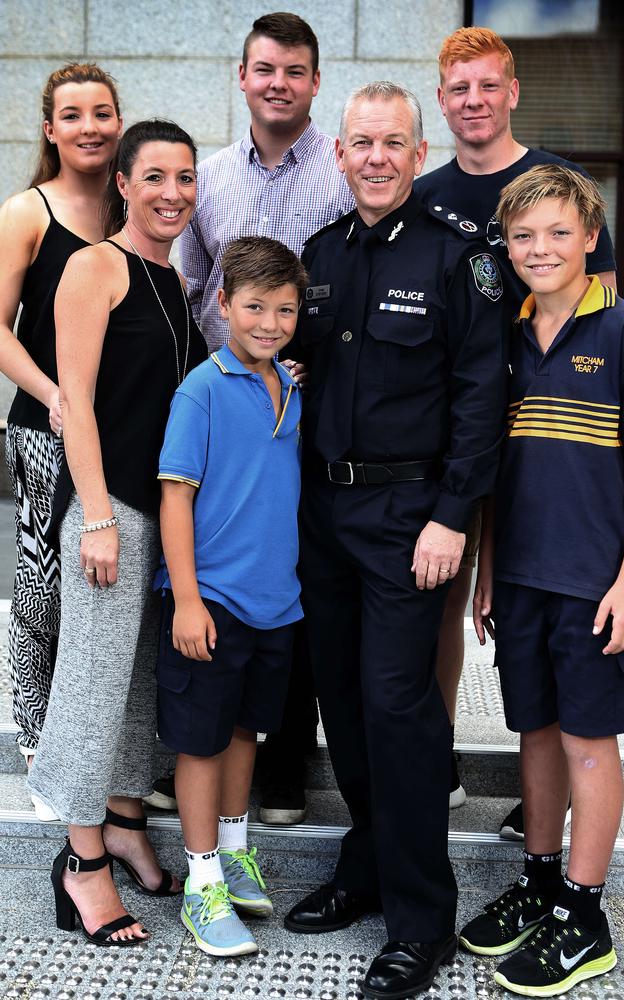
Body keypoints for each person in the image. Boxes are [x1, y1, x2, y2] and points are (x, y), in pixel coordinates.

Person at [284, 82, 509, 1000]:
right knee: (342, 701)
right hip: (324, 518)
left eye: (393, 144)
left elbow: (481, 398)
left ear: (419, 156)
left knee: (399, 710)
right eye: (361, 143)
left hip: (410, 519)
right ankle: (368, 863)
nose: (376, 158)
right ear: (338, 155)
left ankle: (423, 921)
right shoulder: (319, 255)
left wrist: (453, 516)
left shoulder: (461, 259)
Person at [146, 11, 354, 826]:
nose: (278, 82)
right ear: (243, 76)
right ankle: (194, 749)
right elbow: (193, 287)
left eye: (295, 70)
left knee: (285, 569)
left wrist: (309, 365)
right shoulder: (212, 178)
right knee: (214, 562)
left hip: (303, 401)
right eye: (265, 68)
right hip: (220, 402)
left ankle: (282, 768)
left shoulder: (340, 174)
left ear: (313, 82)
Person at [414, 26, 617, 832]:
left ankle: (551, 797)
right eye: (460, 89)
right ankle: (439, 759)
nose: (475, 101)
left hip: (546, 427)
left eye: (489, 86)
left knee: (538, 600)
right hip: (454, 433)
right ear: (442, 99)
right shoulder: (424, 195)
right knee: (449, 603)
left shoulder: (556, 186)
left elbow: (597, 309)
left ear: (514, 91)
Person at [462, 164, 624, 997]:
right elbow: (501, 471)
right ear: (506, 246)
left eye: (558, 234)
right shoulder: (503, 336)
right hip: (524, 579)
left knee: (584, 741)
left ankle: (586, 913)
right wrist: (489, 573)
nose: (540, 249)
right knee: (533, 733)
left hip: (597, 580)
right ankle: (540, 886)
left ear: (591, 238)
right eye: (523, 236)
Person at [27, 120, 208, 945]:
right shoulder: (92, 267)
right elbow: (77, 403)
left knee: (137, 687)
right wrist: (95, 514)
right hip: (108, 513)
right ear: (125, 186)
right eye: (156, 177)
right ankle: (82, 864)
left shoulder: (171, 278)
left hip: (156, 514)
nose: (173, 192)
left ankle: (127, 824)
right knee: (94, 691)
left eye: (186, 178)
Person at [155, 236, 307, 957]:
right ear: (222, 304)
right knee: (202, 740)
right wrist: (186, 598)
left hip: (275, 603)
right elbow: (175, 497)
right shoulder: (203, 389)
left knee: (248, 731)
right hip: (209, 599)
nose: (270, 323)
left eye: (284, 310)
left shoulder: (291, 386)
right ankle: (202, 881)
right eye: (254, 308)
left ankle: (237, 851)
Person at [0, 63, 122, 821]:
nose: (89, 127)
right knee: (44, 586)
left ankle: (103, 735)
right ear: (50, 128)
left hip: (121, 432)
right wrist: (55, 396)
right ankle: (36, 733)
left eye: (102, 113)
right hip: (45, 426)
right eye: (72, 115)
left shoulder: (130, 204)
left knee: (105, 586)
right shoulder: (27, 212)